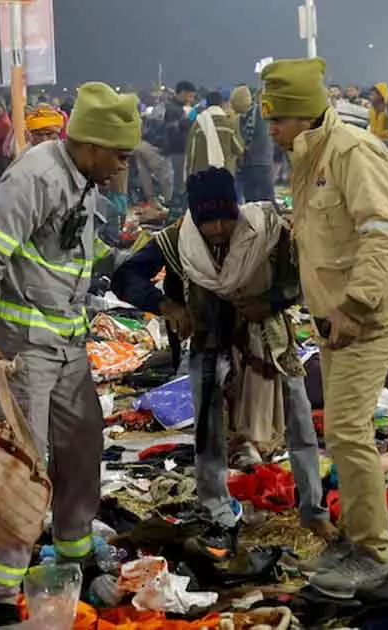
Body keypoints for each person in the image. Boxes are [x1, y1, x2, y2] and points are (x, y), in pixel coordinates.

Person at [0, 82, 137, 628]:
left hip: (68, 347)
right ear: (92, 144)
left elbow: (70, 258)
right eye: (120, 155)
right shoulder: (35, 177)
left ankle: (73, 555)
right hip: (22, 355)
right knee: (23, 472)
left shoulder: (83, 183)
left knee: (83, 447)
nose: (123, 166)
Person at [261, 57, 388, 598]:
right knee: (340, 430)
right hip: (336, 317)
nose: (272, 130)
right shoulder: (310, 157)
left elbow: (383, 234)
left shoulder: (354, 153)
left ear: (304, 115)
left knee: (349, 433)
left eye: (277, 119)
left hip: (368, 315)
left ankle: (373, 556)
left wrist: (355, 306)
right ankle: (356, 540)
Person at [111, 166, 334, 549]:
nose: (217, 229)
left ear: (237, 209)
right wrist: (168, 306)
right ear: (193, 218)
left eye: (225, 218)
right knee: (209, 435)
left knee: (298, 424)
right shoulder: (176, 241)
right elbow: (125, 277)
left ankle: (313, 511)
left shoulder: (268, 232)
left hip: (270, 344)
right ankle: (217, 512)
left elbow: (301, 279)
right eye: (207, 221)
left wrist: (267, 303)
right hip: (209, 345)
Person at [186, 91, 244, 178]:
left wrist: (189, 173)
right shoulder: (230, 124)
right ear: (221, 104)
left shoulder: (197, 124)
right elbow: (239, 149)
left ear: (206, 104)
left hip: (202, 175)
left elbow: (191, 152)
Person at [233, 85, 276, 202]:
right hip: (248, 164)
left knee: (267, 200)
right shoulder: (240, 117)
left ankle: (270, 220)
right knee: (251, 201)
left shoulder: (263, 110)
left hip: (262, 163)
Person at [163, 81, 198, 206]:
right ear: (183, 93)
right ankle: (177, 210)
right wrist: (191, 118)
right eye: (190, 96)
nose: (191, 100)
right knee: (179, 185)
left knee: (179, 183)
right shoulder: (174, 109)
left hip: (178, 151)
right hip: (177, 151)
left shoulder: (174, 107)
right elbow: (177, 130)